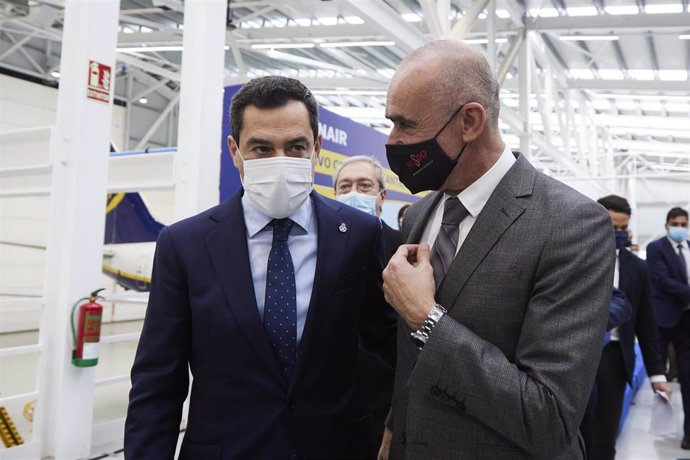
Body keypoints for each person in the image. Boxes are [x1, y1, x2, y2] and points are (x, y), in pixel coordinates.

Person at [124, 76, 396, 459]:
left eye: (296, 147)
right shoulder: (185, 245)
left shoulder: (360, 235)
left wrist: (390, 426)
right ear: (235, 151)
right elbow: (157, 383)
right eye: (262, 148)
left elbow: (388, 346)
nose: (279, 161)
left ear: (316, 147)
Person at [378, 40, 615, 459]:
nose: (394, 141)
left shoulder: (572, 225)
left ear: (470, 121)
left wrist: (426, 318)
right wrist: (396, 425)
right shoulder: (418, 217)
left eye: (406, 124)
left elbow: (549, 417)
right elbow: (408, 363)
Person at [581, 195, 671, 460]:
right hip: (579, 354)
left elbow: (646, 321)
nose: (617, 234)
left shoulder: (637, 268)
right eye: (611, 226)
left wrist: (657, 374)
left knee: (606, 435)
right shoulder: (574, 258)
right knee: (576, 431)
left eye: (622, 228)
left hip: (615, 356)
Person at [333, 155, 400, 458]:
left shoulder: (402, 247)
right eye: (345, 186)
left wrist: (395, 418)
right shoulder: (315, 247)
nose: (353, 193)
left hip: (380, 403)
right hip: (325, 401)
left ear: (381, 196)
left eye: (364, 185)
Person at [646, 206, 690, 450]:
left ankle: (689, 433)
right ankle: (662, 428)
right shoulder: (656, 248)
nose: (680, 228)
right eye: (676, 223)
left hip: (687, 322)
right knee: (659, 379)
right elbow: (662, 280)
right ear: (666, 225)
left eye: (684, 224)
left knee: (688, 379)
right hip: (663, 320)